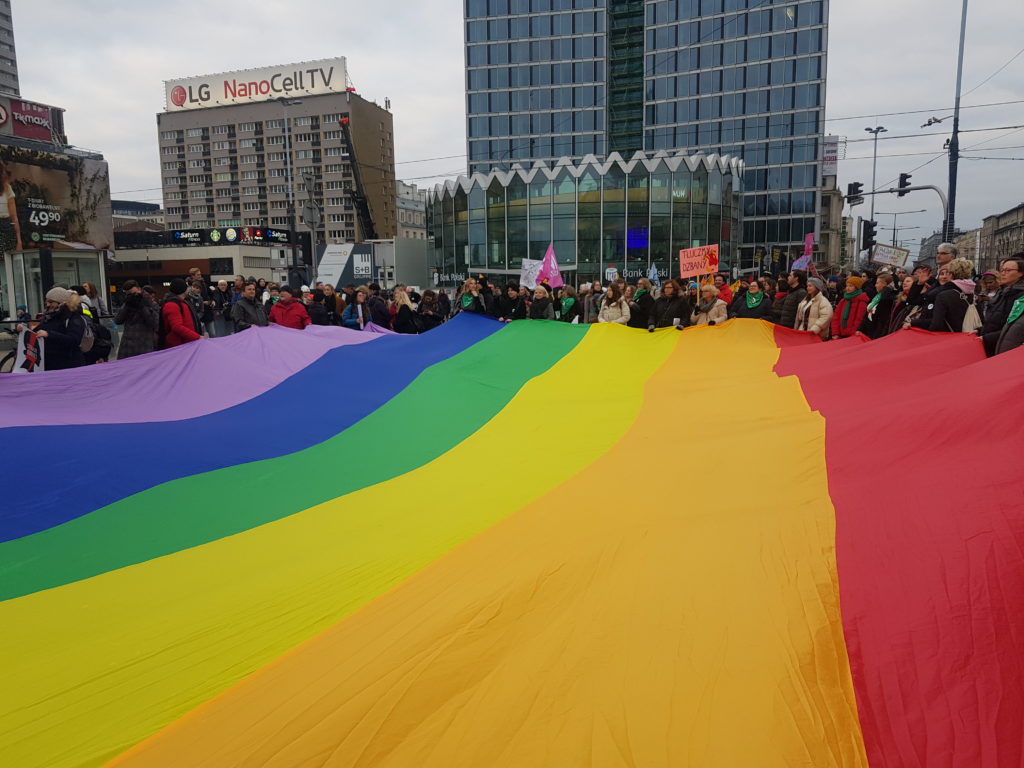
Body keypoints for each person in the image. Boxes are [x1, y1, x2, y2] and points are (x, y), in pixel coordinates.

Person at [16, 287, 86, 370]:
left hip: (68, 365)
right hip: (50, 364)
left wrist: (49, 334)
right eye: (47, 301)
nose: (48, 304)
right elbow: (36, 332)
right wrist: (22, 330)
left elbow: (74, 340)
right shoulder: (49, 316)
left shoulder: (73, 318)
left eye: (51, 302)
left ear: (62, 302)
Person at [909, 258, 976, 333]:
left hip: (944, 337)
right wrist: (919, 284)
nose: (944, 277)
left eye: (947, 273)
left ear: (951, 274)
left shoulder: (943, 296)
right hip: (964, 337)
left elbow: (936, 324)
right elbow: (913, 300)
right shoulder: (971, 293)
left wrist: (914, 323)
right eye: (941, 274)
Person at [977, 255, 1024, 356]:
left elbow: (1012, 327)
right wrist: (980, 330)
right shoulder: (1005, 291)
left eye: (1008, 270)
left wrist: (986, 338)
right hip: (993, 344)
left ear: (1020, 273)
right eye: (1002, 270)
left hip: (1005, 348)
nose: (1003, 273)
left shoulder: (1020, 296)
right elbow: (996, 319)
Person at [114, 279, 159, 359]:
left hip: (144, 346)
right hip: (127, 347)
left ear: (139, 289)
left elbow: (154, 323)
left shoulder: (150, 303)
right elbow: (117, 320)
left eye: (134, 293)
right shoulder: (128, 303)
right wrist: (127, 305)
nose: (133, 296)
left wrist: (143, 306)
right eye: (129, 294)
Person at [159, 278, 202, 349]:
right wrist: (197, 337)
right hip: (179, 346)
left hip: (187, 343)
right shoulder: (172, 305)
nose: (189, 289)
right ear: (183, 289)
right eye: (187, 287)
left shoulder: (183, 302)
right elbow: (177, 327)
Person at [858, 273, 897, 339]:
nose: (875, 285)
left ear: (884, 284)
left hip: (876, 334)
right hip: (867, 331)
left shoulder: (889, 298)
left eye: (877, 283)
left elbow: (884, 302)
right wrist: (860, 329)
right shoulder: (876, 297)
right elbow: (867, 315)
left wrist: (887, 289)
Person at [0, 157, 22, 253]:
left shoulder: (7, 189)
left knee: (7, 261)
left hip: (6, 228)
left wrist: (19, 241)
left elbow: (14, 217)